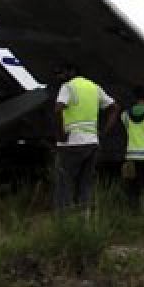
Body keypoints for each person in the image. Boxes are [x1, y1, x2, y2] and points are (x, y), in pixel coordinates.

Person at [53, 64, 118, 211]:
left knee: (65, 182)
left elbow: (57, 110)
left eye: (61, 73)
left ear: (72, 72)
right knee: (85, 183)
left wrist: (60, 134)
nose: (59, 77)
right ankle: (84, 219)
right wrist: (103, 132)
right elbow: (114, 107)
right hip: (92, 143)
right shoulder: (94, 87)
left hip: (71, 143)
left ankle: (64, 221)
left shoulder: (67, 87)